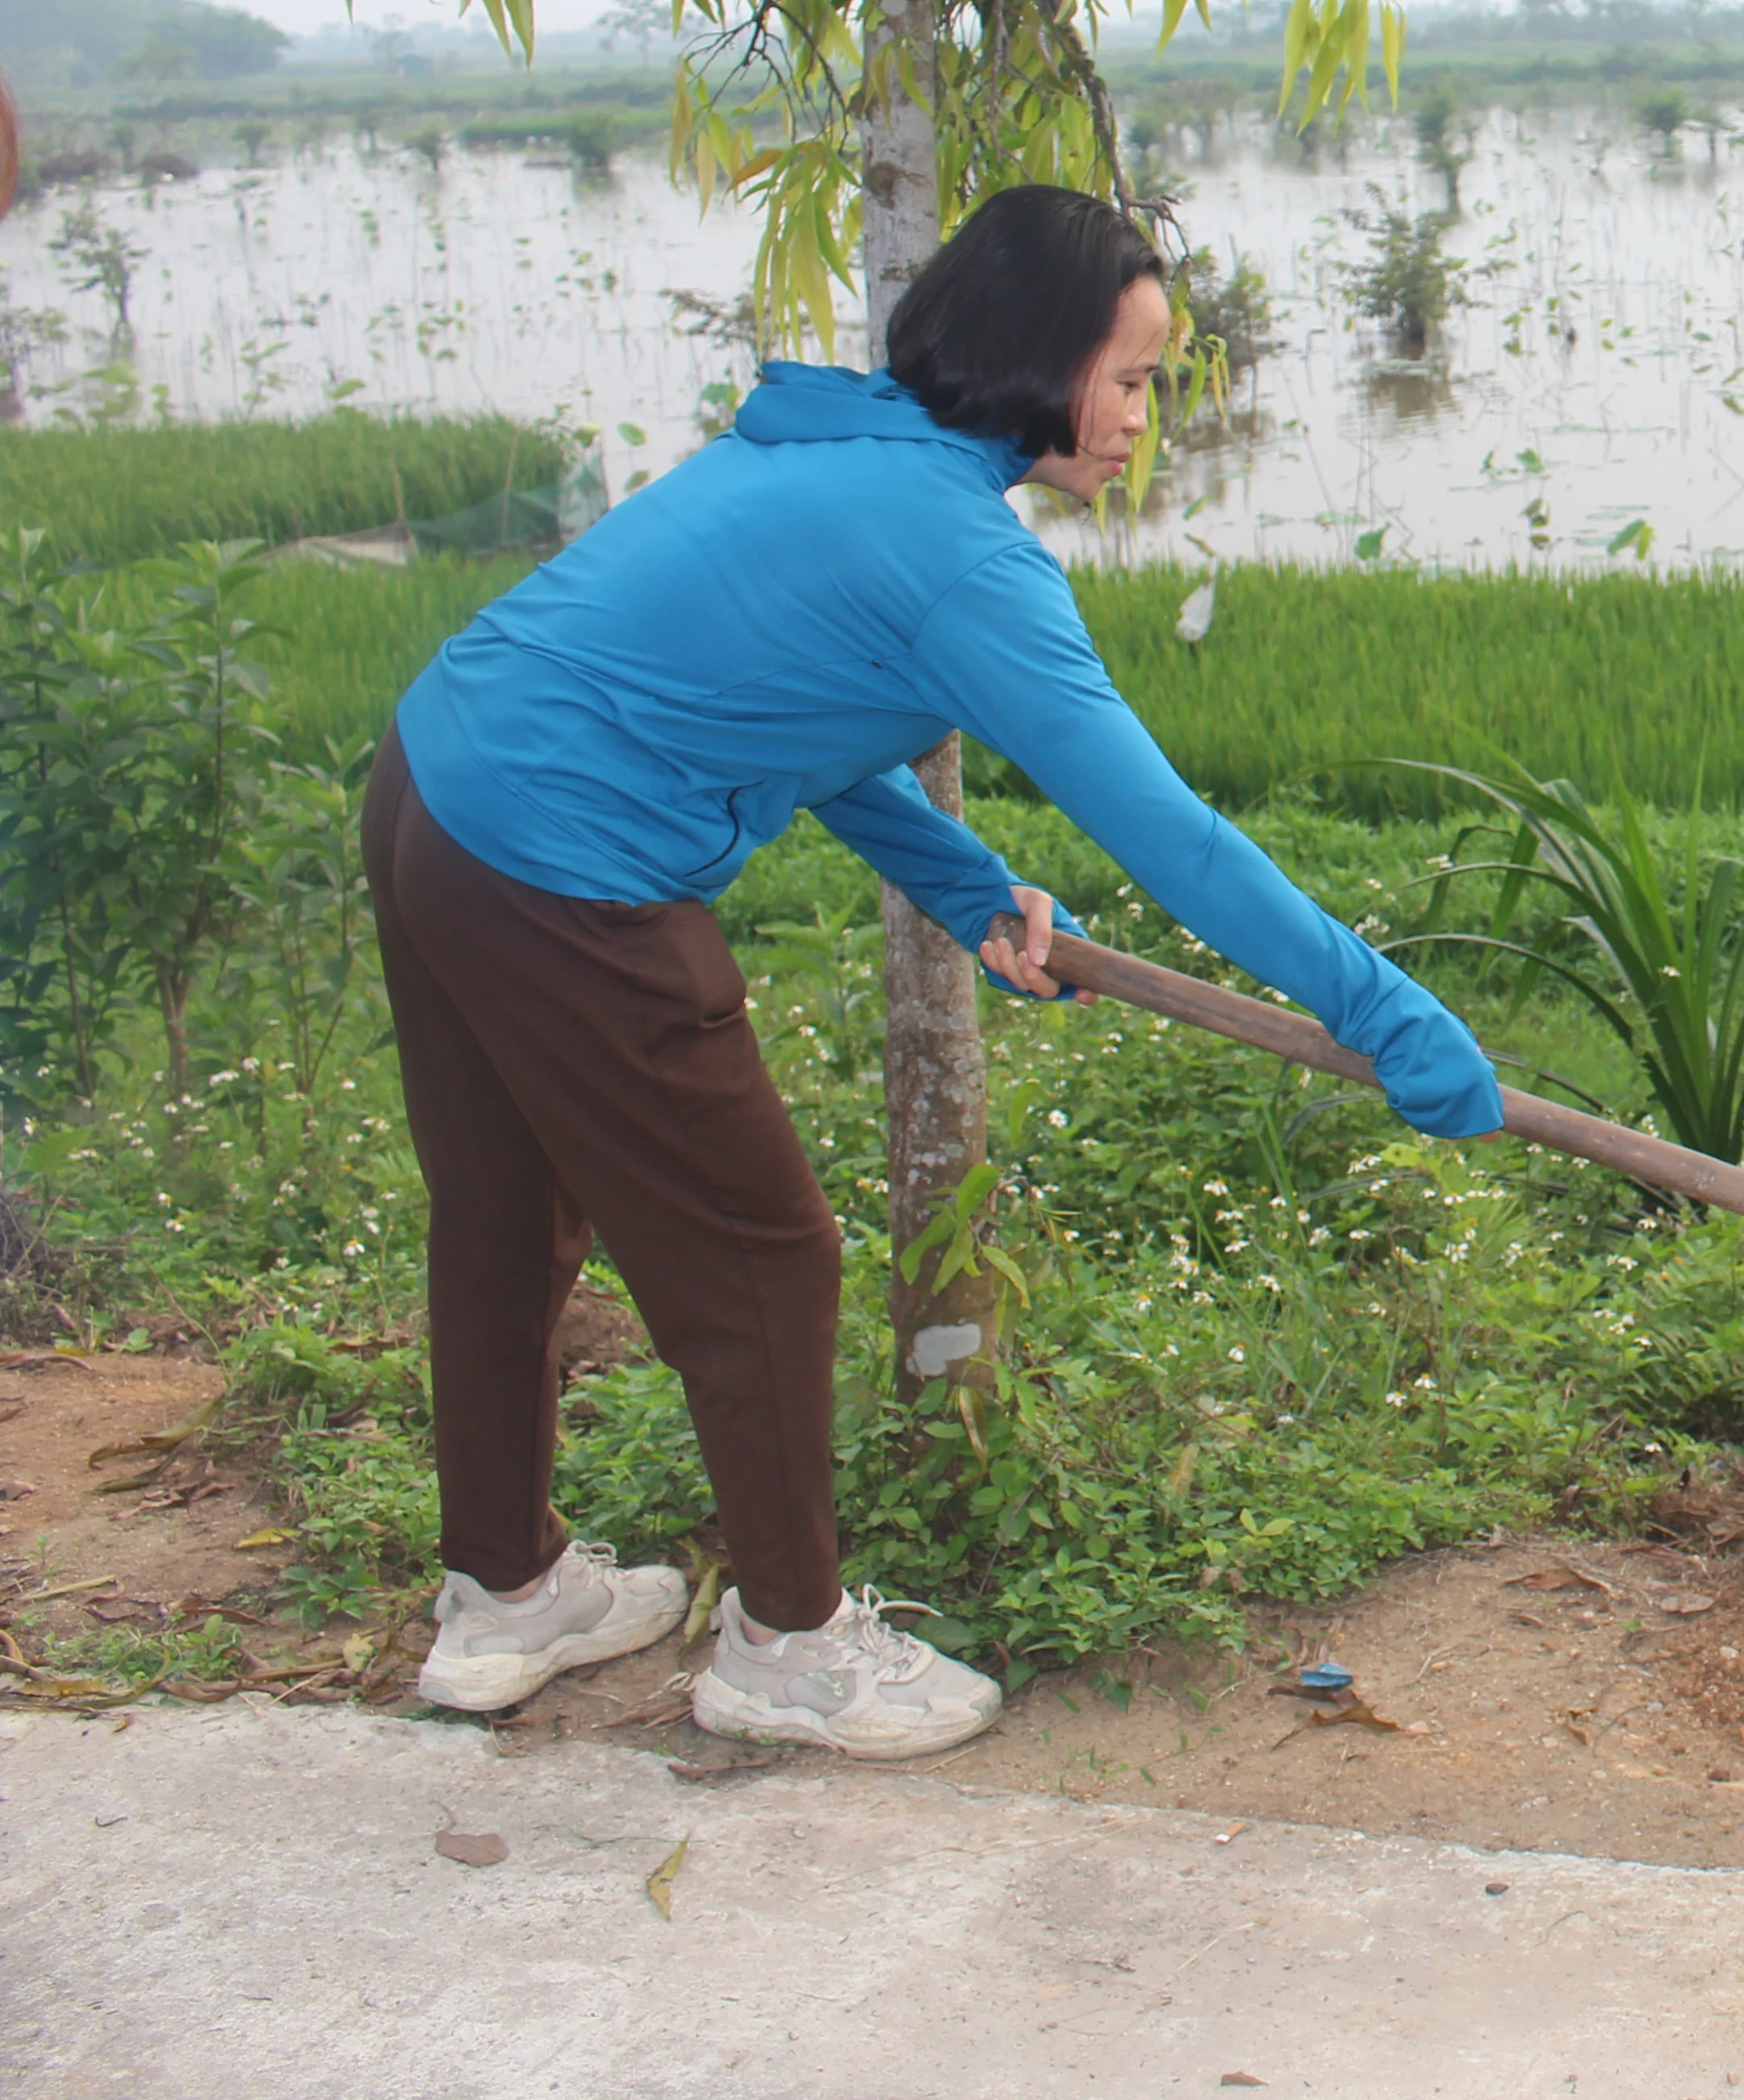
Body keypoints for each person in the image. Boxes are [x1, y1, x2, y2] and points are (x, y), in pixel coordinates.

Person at [372, 186, 1499, 1756]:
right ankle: (788, 1647)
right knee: (763, 1258)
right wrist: (1379, 1005)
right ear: (1040, 362)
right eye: (1128, 379)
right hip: (564, 865)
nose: (1142, 418)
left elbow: (799, 709)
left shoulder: (848, 449)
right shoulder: (964, 558)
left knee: (505, 1217)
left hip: (435, 787)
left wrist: (965, 885)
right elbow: (1173, 842)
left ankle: (505, 1592)